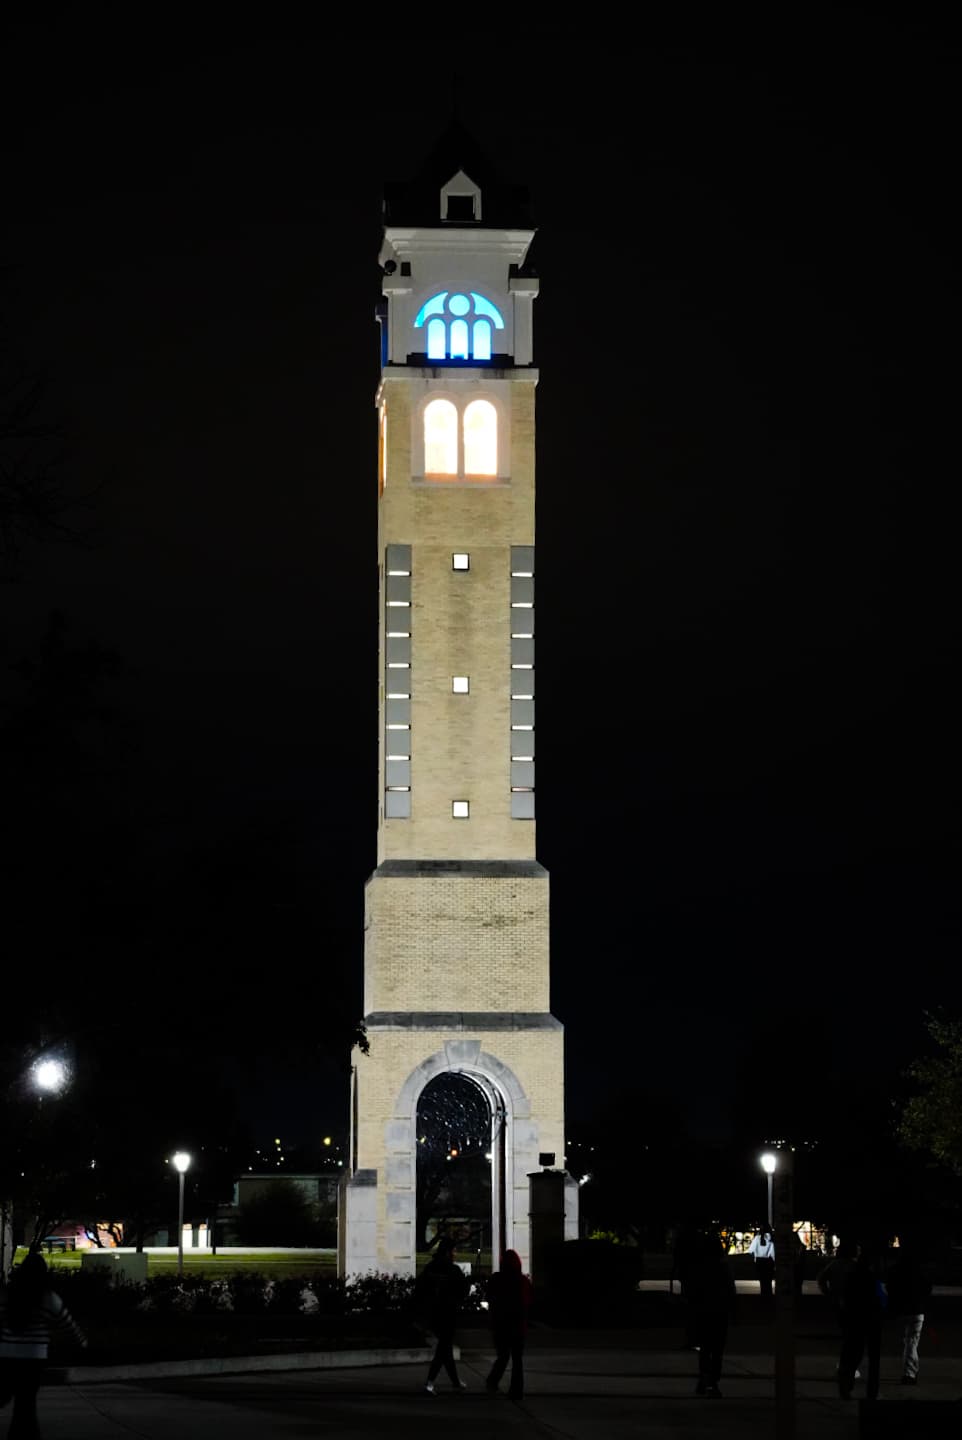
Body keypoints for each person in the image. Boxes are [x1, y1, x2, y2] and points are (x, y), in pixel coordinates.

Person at [0, 1251, 87, 1436]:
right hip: (33, 1358)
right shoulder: (48, 1298)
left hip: (7, 1355)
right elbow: (68, 1325)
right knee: (26, 1405)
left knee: (6, 1394)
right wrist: (82, 1344)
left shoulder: (8, 1295)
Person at [684, 1230, 736, 1397]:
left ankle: (705, 1380)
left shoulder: (699, 1267)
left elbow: (692, 1290)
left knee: (705, 1349)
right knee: (717, 1350)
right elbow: (730, 1291)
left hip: (704, 1311)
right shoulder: (723, 1267)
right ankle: (711, 1382)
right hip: (719, 1312)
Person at [416, 1237, 469, 1394]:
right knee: (443, 1349)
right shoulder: (453, 1270)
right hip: (448, 1313)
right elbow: (463, 1291)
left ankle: (455, 1381)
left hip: (433, 1314)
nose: (455, 1253)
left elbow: (420, 1287)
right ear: (447, 1252)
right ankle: (429, 1382)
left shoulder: (430, 1267)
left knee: (445, 1348)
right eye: (454, 1250)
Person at [837, 1243, 887, 1401]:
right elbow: (882, 1299)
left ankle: (846, 1386)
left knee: (853, 1354)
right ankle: (872, 1391)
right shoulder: (874, 1278)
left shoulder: (852, 1275)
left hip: (855, 1319)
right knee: (873, 1359)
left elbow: (846, 1297)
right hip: (872, 1320)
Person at [484, 1249, 533, 1400]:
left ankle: (492, 1381)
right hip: (517, 1325)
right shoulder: (523, 1281)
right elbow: (527, 1303)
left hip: (501, 1324)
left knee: (503, 1356)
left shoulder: (496, 1279)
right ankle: (516, 1390)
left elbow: (490, 1298)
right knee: (517, 1359)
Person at [885, 1244, 932, 1386]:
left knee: (909, 1342)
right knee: (911, 1342)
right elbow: (927, 1288)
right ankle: (910, 1373)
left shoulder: (894, 1270)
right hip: (916, 1310)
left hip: (900, 1309)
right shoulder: (920, 1271)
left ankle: (911, 1371)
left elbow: (889, 1287)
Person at [748, 1228, 776, 1298]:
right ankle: (769, 1298)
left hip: (759, 1261)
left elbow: (750, 1251)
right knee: (768, 1282)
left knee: (762, 1282)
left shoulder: (757, 1238)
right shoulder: (771, 1238)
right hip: (769, 1262)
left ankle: (763, 1297)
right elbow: (773, 1254)